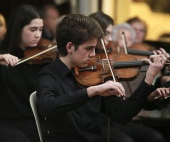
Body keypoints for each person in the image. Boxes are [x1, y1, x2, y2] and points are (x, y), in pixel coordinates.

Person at [36, 14, 167, 142]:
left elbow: (122, 116)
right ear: (70, 47)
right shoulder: (48, 75)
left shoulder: (97, 75)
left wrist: (148, 79)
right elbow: (47, 107)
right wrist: (92, 91)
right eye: (89, 48)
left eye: (94, 48)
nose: (93, 54)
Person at [90, 12, 169, 142]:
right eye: (108, 34)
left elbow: (132, 103)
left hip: (115, 118)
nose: (110, 40)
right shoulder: (99, 64)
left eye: (111, 34)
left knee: (156, 137)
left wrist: (154, 91)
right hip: (99, 122)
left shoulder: (112, 63)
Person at [0, 4, 48, 142]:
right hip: (7, 123)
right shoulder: (3, 58)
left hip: (36, 123)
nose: (38, 35)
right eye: (33, 30)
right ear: (18, 29)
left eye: (40, 29)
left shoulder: (43, 59)